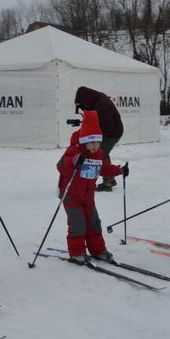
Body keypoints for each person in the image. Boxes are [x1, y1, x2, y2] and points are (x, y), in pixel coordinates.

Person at [56, 110, 127, 264]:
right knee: (78, 225)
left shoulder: (99, 154)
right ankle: (77, 253)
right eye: (91, 142)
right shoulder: (73, 151)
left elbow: (104, 169)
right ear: (83, 140)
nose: (95, 145)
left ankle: (98, 250)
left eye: (98, 142)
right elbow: (61, 166)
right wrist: (75, 160)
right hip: (71, 196)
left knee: (94, 224)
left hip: (88, 197)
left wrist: (120, 170)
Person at [74, 86, 124, 191]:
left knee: (100, 154)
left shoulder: (102, 104)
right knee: (103, 153)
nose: (84, 108)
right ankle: (110, 179)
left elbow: (106, 125)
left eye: (83, 106)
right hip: (111, 132)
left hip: (111, 134)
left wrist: (93, 134)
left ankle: (107, 184)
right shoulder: (97, 101)